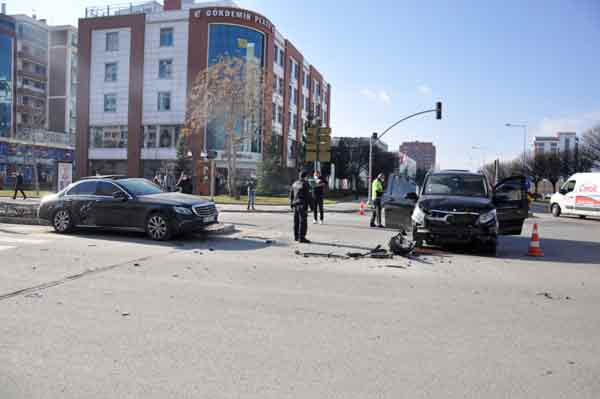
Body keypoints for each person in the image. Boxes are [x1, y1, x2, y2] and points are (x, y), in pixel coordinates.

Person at [290, 171, 311, 243]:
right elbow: (308, 196)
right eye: (307, 176)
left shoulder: (295, 183)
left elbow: (291, 195)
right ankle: (301, 238)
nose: (307, 178)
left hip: (295, 204)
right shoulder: (305, 184)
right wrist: (312, 207)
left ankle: (296, 236)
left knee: (296, 221)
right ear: (305, 176)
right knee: (303, 222)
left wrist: (291, 205)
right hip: (302, 204)